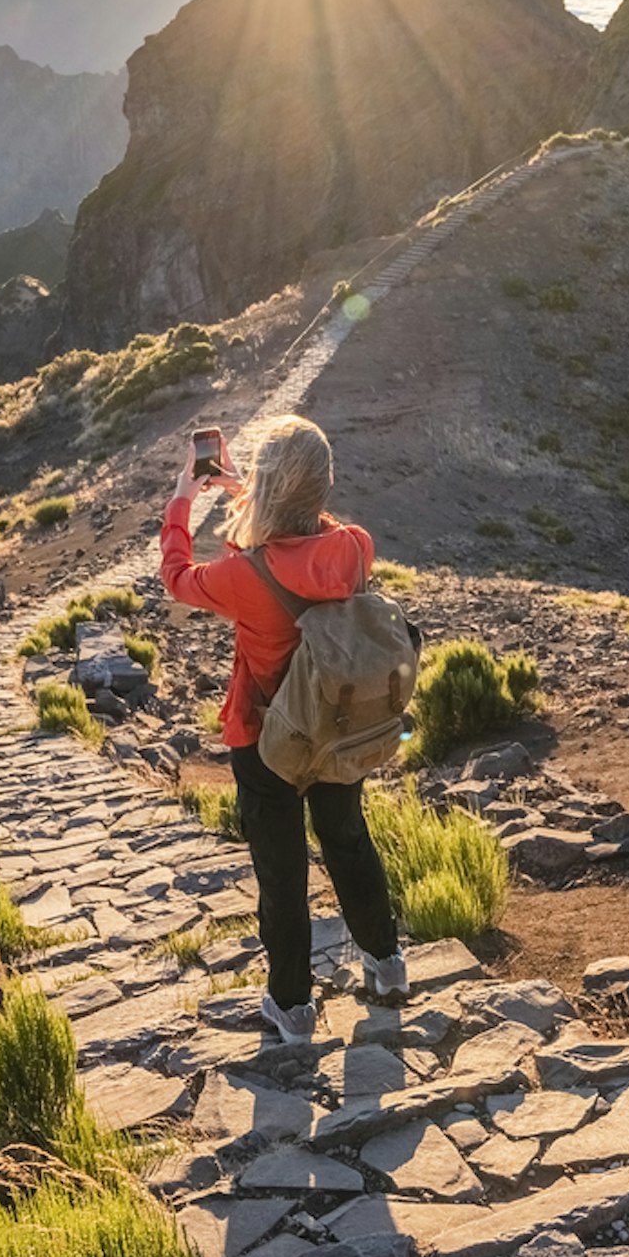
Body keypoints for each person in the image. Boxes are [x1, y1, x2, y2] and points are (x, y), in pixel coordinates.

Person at [161, 410, 403, 1045]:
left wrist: (184, 501)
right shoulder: (356, 546)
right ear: (323, 487)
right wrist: (252, 490)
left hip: (267, 739)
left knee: (283, 871)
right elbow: (307, 548)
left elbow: (177, 579)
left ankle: (294, 1007)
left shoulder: (243, 575)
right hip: (337, 727)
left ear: (273, 486)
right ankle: (387, 963)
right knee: (348, 839)